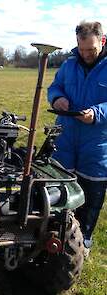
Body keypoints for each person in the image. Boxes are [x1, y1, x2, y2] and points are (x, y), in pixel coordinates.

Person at [47, 21, 107, 257]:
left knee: (92, 197)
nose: (85, 54)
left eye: (90, 50)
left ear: (102, 41)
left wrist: (97, 114)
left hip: (97, 144)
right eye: (81, 49)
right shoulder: (69, 64)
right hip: (65, 140)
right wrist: (57, 99)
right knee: (59, 192)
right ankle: (56, 237)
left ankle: (86, 242)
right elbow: (54, 87)